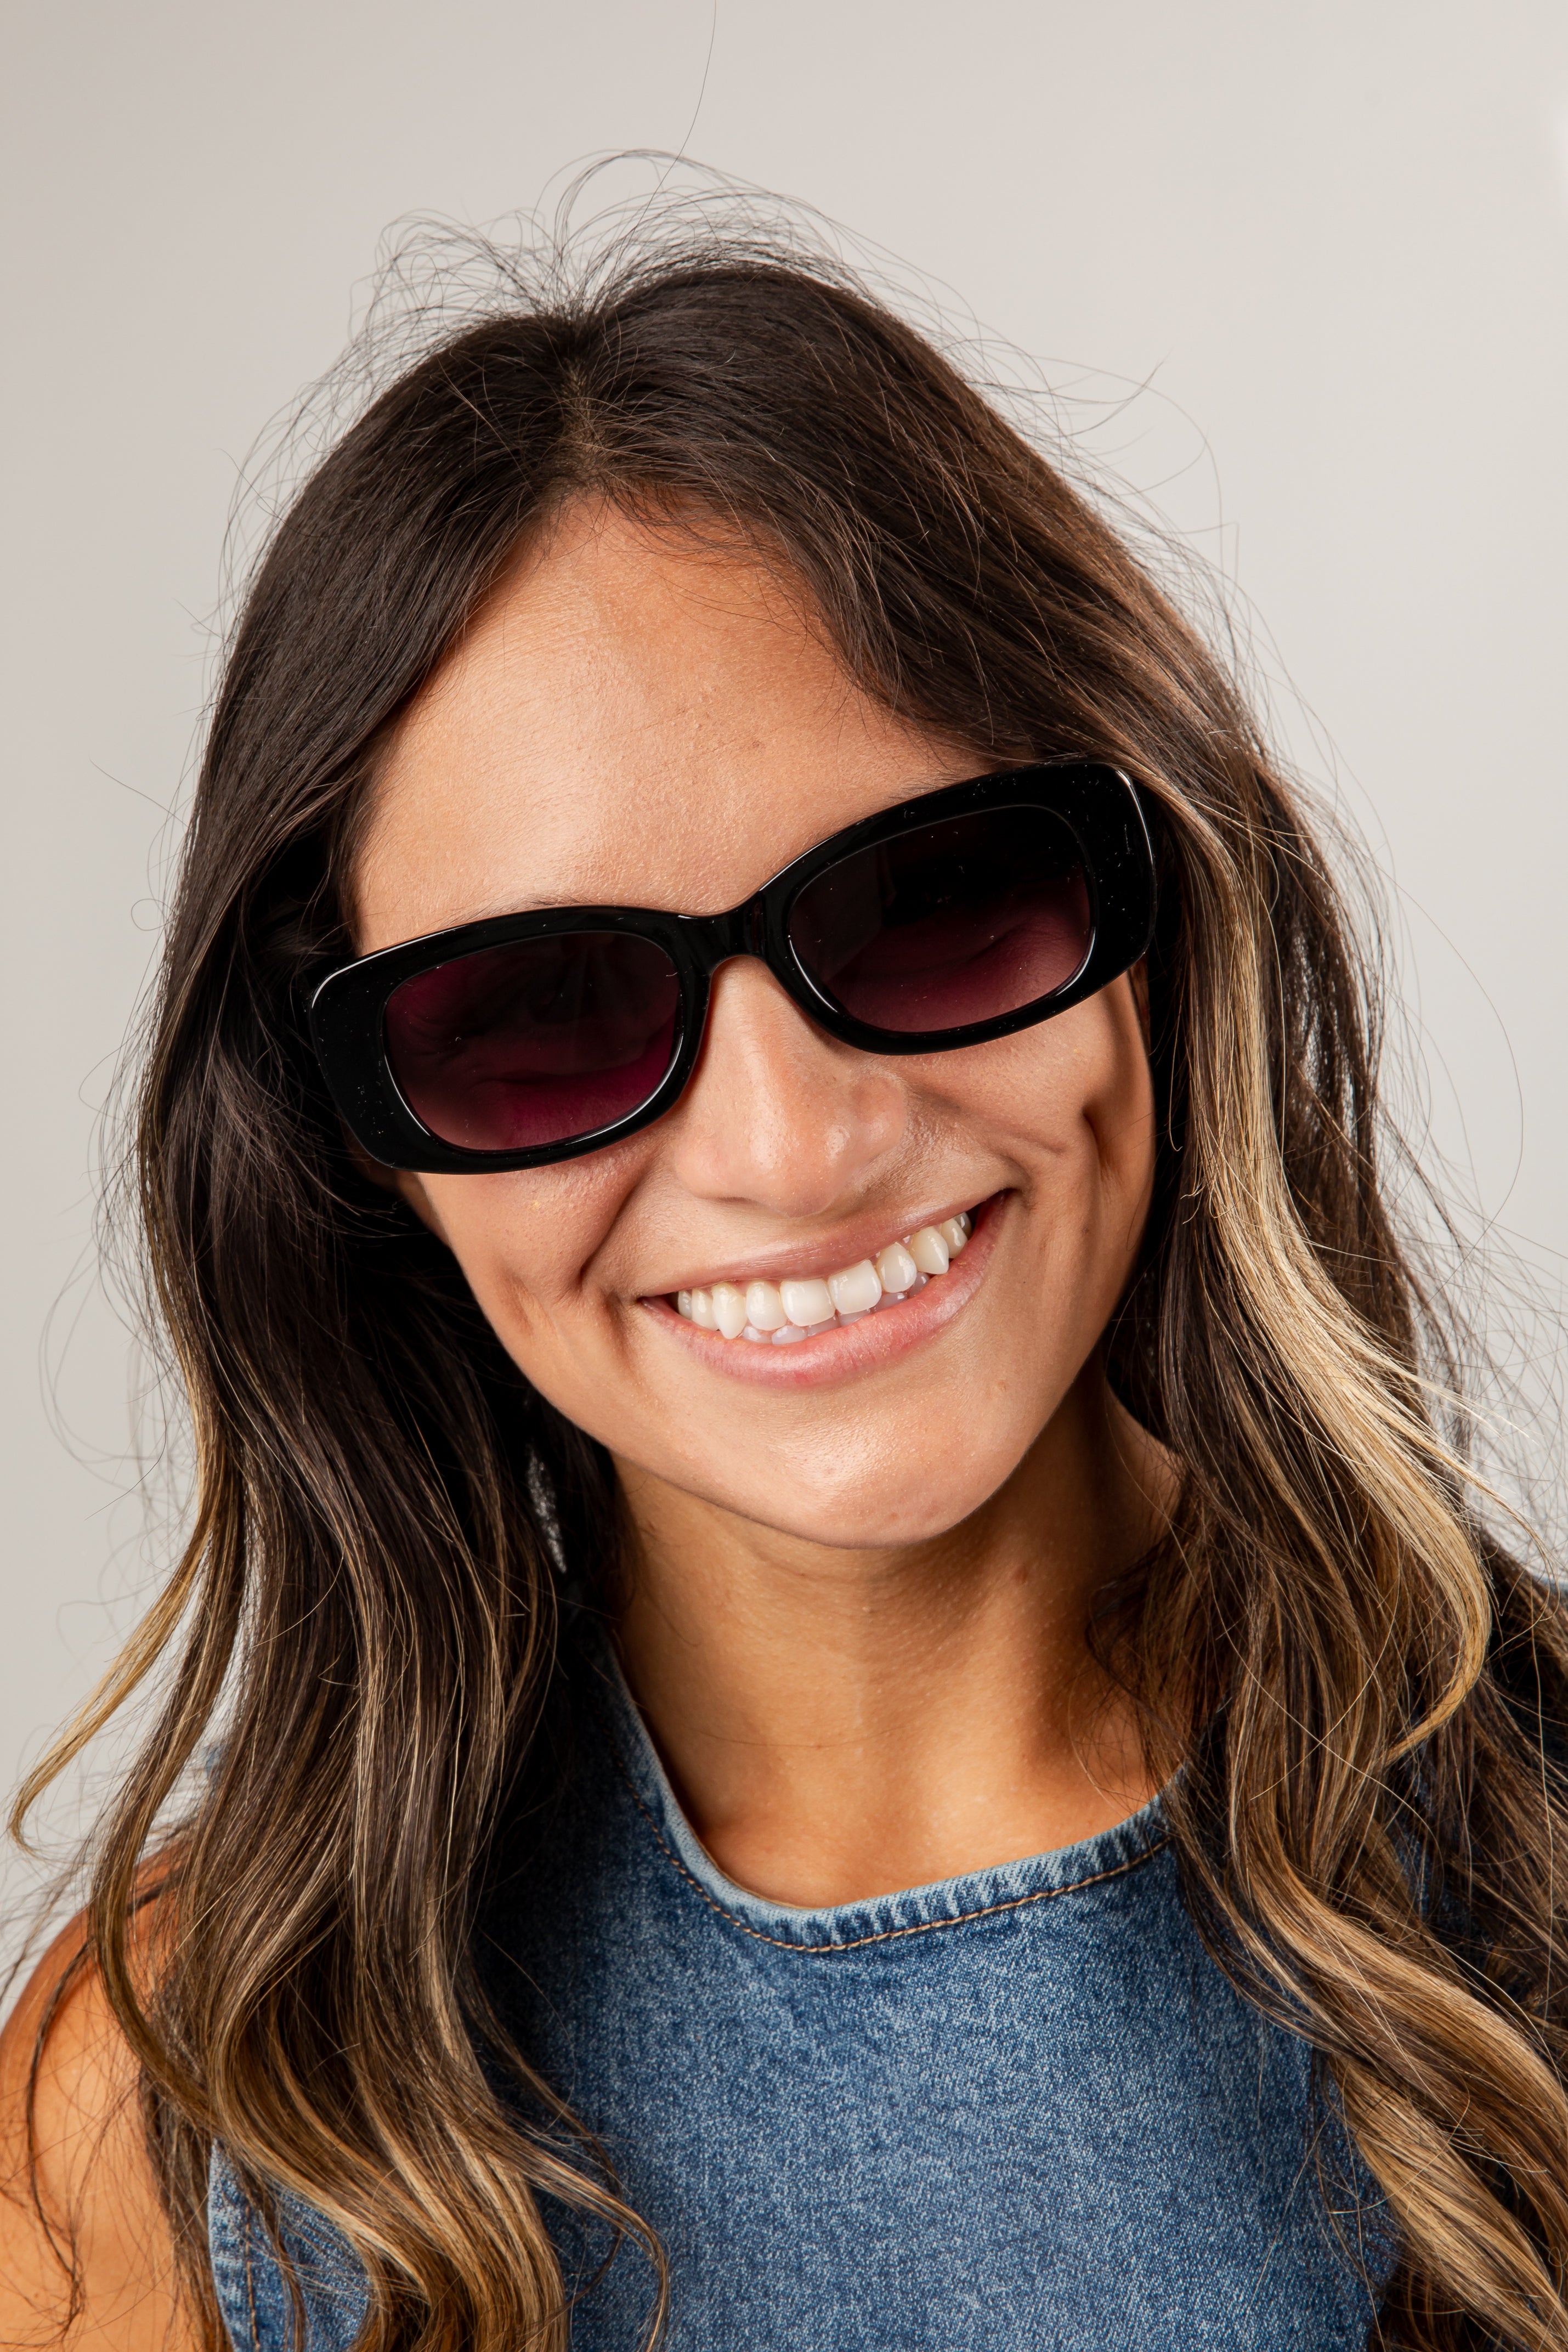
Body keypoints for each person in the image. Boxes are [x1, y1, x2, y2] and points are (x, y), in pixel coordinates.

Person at [2, 230, 1565, 2352]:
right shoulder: (166, 2103)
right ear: (363, 1146)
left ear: (1152, 911)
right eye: (536, 1012)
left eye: (934, 904)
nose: (791, 1147)